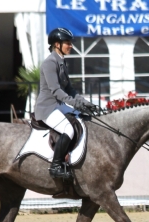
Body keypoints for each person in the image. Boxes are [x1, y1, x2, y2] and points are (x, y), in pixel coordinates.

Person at [34, 27, 97, 180]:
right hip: (47, 108)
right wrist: (75, 104)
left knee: (84, 119)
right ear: (57, 44)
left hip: (58, 105)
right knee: (68, 130)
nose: (71, 46)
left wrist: (86, 103)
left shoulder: (61, 62)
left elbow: (69, 89)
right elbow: (56, 91)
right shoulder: (50, 63)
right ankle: (55, 166)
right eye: (67, 43)